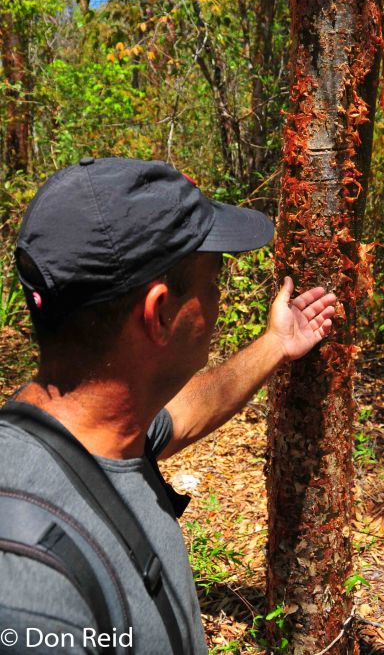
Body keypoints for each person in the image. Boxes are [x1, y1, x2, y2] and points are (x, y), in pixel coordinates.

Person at [0, 157, 336, 654]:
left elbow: (185, 412)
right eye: (213, 286)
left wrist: (275, 345)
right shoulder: (31, 585)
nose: (218, 302)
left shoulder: (86, 434)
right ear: (159, 313)